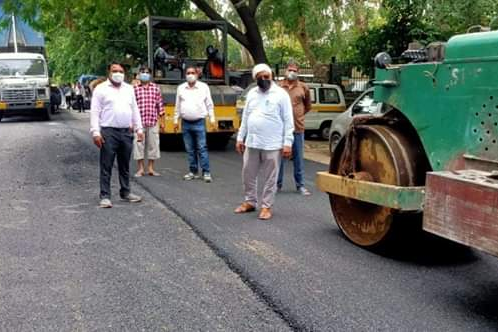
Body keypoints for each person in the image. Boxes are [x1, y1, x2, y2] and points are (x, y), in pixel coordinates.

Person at [234, 64, 294, 220]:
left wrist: (287, 142)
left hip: (272, 144)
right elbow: (246, 117)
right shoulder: (252, 94)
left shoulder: (281, 94)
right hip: (252, 142)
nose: (264, 79)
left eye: (266, 76)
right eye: (260, 77)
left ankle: (266, 206)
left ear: (271, 76)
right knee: (247, 173)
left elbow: (288, 120)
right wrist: (240, 137)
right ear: (255, 78)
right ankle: (250, 202)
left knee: (270, 177)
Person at [90, 61, 144, 208]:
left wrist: (139, 129)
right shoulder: (101, 89)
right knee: (106, 165)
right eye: (115, 71)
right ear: (109, 72)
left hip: (126, 132)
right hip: (109, 132)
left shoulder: (129, 89)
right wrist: (95, 132)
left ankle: (126, 192)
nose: (118, 73)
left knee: (124, 164)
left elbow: (135, 109)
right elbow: (95, 112)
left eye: (121, 71)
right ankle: (105, 196)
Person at [174, 66, 215, 183]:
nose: (190, 75)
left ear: (197, 75)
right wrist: (175, 120)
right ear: (185, 75)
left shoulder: (204, 87)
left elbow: (209, 104)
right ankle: (193, 171)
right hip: (185, 123)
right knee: (190, 149)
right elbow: (178, 105)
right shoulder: (181, 88)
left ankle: (206, 172)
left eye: (192, 73)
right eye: (188, 73)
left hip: (199, 122)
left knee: (202, 148)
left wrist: (212, 119)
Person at [277, 62, 312, 196]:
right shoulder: (279, 87)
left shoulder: (303, 87)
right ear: (285, 71)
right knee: (279, 157)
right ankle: (277, 185)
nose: (292, 72)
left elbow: (308, 106)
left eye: (294, 70)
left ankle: (300, 185)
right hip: (281, 128)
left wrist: (299, 115)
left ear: (298, 72)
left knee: (298, 158)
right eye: (290, 70)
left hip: (297, 128)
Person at [133, 66, 164, 177]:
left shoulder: (156, 88)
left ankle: (151, 168)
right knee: (138, 145)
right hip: (139, 123)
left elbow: (160, 105)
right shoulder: (135, 89)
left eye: (147, 72)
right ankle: (140, 168)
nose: (145, 74)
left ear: (150, 75)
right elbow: (132, 107)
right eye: (143, 72)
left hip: (153, 121)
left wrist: (162, 122)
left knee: (153, 145)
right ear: (139, 74)